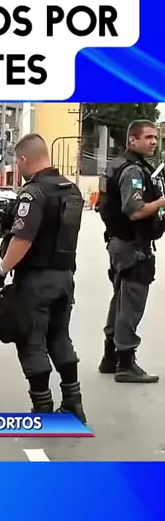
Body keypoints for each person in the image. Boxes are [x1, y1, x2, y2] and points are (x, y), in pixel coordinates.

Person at [0, 134, 85, 420]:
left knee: (31, 340)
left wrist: (0, 272)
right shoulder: (71, 190)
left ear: (23, 159)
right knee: (60, 337)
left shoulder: (34, 192)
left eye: (17, 163)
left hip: (36, 280)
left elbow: (23, 238)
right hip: (64, 277)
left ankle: (43, 409)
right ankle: (73, 403)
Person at [98, 120, 165, 383]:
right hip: (132, 247)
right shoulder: (133, 171)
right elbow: (135, 211)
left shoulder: (120, 165)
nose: (153, 142)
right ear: (132, 140)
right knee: (131, 303)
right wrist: (161, 201)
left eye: (155, 137)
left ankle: (110, 357)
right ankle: (125, 362)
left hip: (120, 243)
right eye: (148, 137)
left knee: (120, 300)